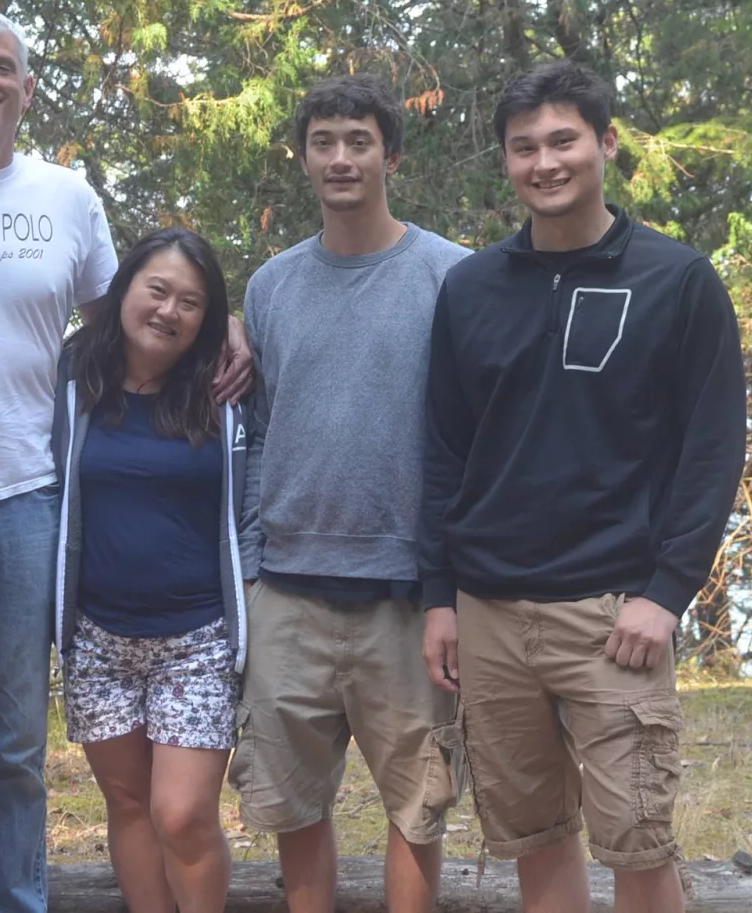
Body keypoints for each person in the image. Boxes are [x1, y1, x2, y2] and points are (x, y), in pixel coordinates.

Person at [0, 10, 253, 913]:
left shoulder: (67, 196)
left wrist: (231, 322)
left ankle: (15, 902)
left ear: (28, 89)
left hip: (31, 501)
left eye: (2, 66)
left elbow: (137, 309)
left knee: (14, 748)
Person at [418, 61, 747, 913]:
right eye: (524, 148)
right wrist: (440, 598)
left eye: (563, 140)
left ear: (605, 143)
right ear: (507, 162)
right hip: (489, 612)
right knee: (534, 839)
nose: (545, 162)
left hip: (613, 617)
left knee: (638, 840)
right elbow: (445, 453)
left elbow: (711, 451)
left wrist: (666, 593)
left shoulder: (676, 281)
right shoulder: (471, 289)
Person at [230, 75, 468, 913]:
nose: (340, 157)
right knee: (293, 800)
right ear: (303, 158)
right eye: (324, 141)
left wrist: (451, 582)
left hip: (408, 592)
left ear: (390, 156)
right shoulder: (271, 288)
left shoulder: (450, 276)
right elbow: (256, 433)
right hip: (288, 589)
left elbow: (469, 440)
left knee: (419, 802)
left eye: (358, 141)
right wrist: (253, 566)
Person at [51, 228, 247, 913]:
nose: (169, 311)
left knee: (182, 814)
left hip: (197, 638)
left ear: (209, 319)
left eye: (191, 303)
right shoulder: (73, 379)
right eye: (156, 290)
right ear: (124, 291)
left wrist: (236, 327)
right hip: (98, 639)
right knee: (130, 805)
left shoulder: (227, 391)